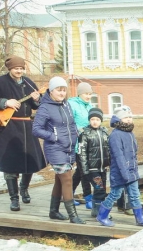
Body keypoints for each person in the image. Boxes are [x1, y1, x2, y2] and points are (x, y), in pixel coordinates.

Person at [0, 56, 47, 211]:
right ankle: (14, 198)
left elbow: (36, 105)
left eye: (21, 68)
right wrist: (4, 102)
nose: (19, 71)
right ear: (9, 69)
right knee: (10, 165)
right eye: (16, 68)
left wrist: (37, 99)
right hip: (8, 128)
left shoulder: (29, 83)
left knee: (29, 162)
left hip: (27, 126)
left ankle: (24, 189)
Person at [31, 77, 84, 224]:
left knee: (59, 181)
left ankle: (53, 211)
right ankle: (73, 216)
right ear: (51, 91)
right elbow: (36, 129)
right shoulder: (45, 107)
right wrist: (53, 136)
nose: (62, 93)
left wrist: (76, 134)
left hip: (69, 147)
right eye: (58, 90)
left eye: (64, 90)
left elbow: (71, 124)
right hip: (55, 148)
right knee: (67, 180)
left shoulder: (66, 105)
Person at [95, 106, 143, 228]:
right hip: (120, 172)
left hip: (131, 171)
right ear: (119, 119)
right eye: (126, 117)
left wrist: (133, 171)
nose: (129, 119)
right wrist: (125, 173)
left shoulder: (130, 133)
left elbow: (133, 153)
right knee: (115, 194)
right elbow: (119, 156)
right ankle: (102, 215)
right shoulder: (115, 135)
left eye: (130, 117)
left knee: (135, 194)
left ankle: (140, 218)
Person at [77, 108, 111, 218]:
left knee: (101, 190)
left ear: (101, 120)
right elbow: (82, 153)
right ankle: (100, 212)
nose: (95, 121)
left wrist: (109, 163)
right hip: (92, 169)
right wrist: (85, 170)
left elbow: (109, 149)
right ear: (89, 120)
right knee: (99, 188)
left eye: (97, 119)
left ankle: (95, 211)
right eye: (92, 119)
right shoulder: (85, 134)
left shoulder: (104, 132)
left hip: (102, 168)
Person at [67, 82, 95, 208]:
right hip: (79, 143)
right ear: (80, 93)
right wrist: (80, 129)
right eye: (86, 94)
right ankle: (88, 197)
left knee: (80, 171)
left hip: (89, 143)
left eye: (90, 94)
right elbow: (69, 123)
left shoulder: (89, 106)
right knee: (84, 171)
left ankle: (68, 194)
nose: (88, 96)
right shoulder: (72, 104)